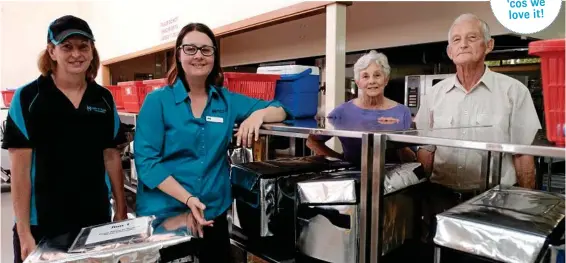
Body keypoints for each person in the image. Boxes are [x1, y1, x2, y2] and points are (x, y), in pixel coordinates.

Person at [133, 22, 288, 263]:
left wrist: (259, 115)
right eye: (191, 49)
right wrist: (188, 199)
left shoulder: (226, 101)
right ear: (179, 54)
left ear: (215, 57)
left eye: (206, 50)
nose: (199, 56)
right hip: (166, 218)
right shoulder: (157, 102)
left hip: (212, 214)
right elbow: (146, 162)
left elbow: (279, 108)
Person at [2, 15, 127, 263]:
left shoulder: (102, 98)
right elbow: (20, 170)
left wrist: (121, 211)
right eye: (66, 46)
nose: (76, 54)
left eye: (83, 46)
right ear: (52, 51)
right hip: (43, 223)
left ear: (92, 52)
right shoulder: (29, 98)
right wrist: (24, 230)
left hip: (95, 219)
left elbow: (111, 156)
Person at [414, 13, 541, 193]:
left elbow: (522, 154)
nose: (463, 44)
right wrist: (421, 195)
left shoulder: (514, 91)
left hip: (495, 198)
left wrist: (527, 202)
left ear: (489, 45)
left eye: (472, 38)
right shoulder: (434, 94)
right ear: (450, 52)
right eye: (456, 40)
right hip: (441, 196)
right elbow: (426, 150)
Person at [306, 50, 415, 166]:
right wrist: (340, 161)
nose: (372, 81)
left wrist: (399, 142)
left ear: (386, 80)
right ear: (358, 82)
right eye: (365, 76)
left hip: (391, 178)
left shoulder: (402, 112)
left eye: (377, 75)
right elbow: (312, 141)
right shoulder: (342, 112)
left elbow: (411, 157)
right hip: (353, 176)